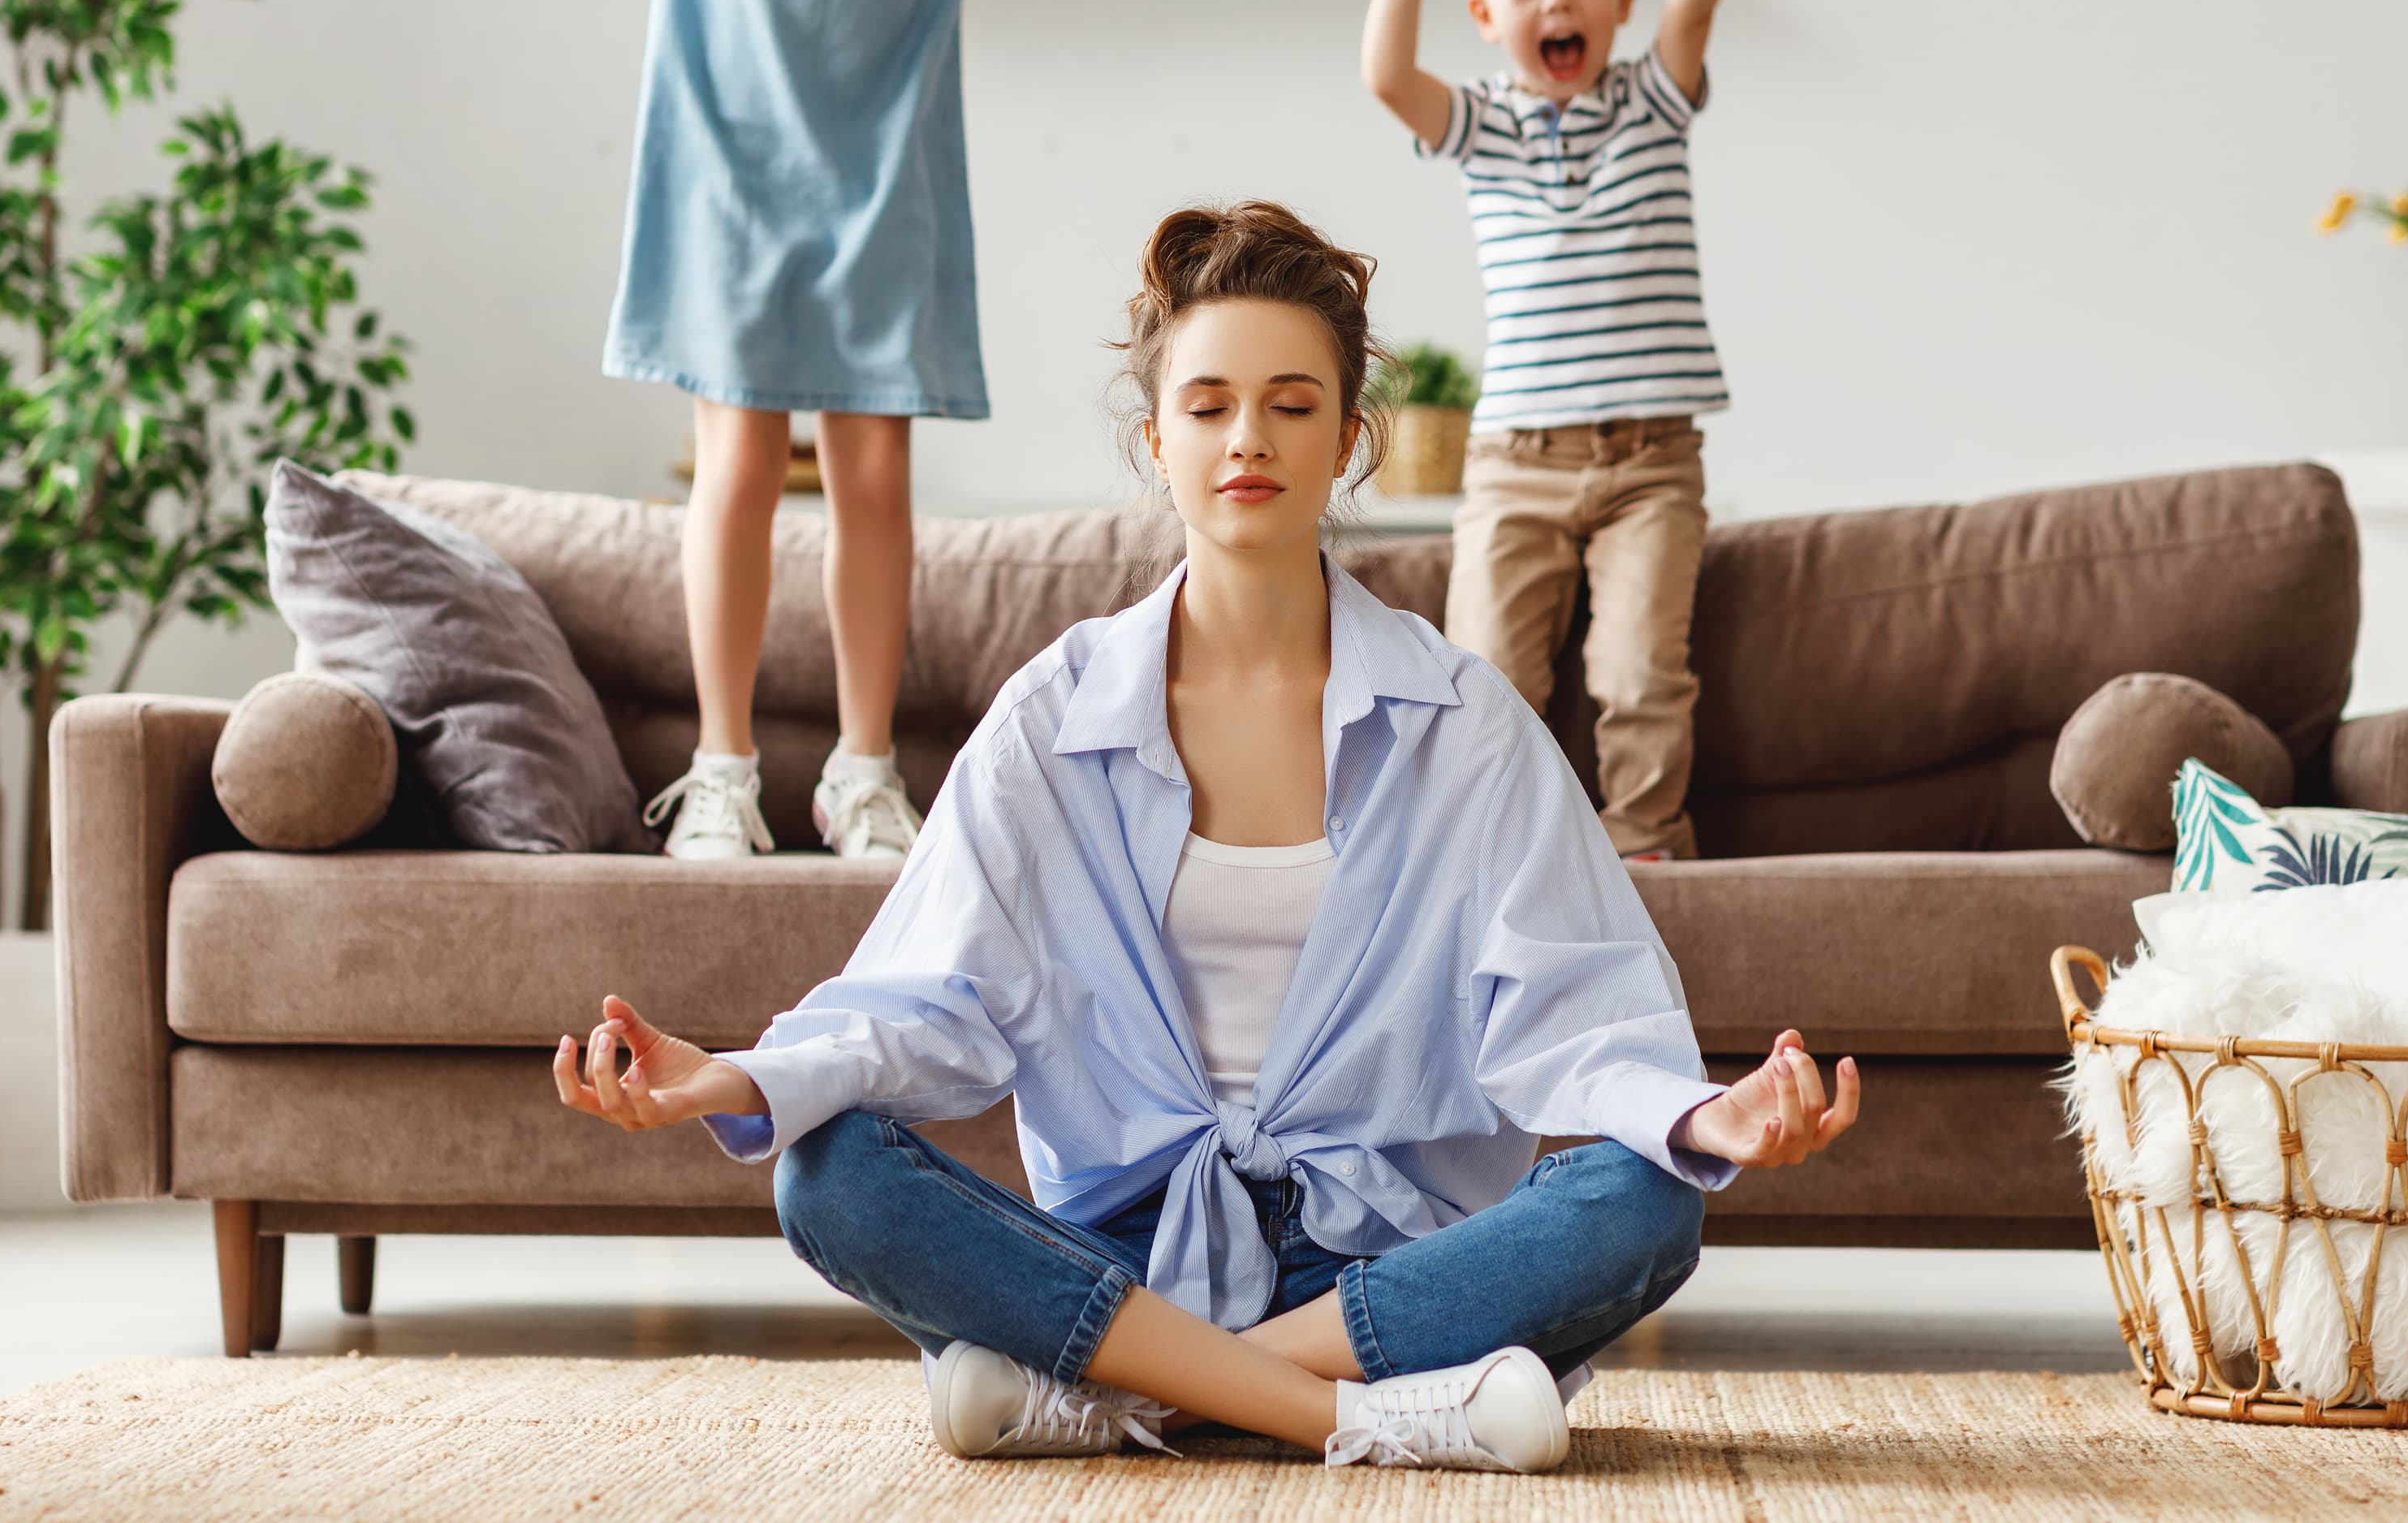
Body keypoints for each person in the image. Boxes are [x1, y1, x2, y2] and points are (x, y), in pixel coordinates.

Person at [551, 201, 1859, 1473]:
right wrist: (731, 1081)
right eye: (1210, 405)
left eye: (1294, 405)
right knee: (824, 1169)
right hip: (1122, 1251)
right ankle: (1360, 1415)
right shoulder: (1053, 716)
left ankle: (1121, 1394)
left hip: (1381, 1262)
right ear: (1157, 440)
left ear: (1351, 440)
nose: (1252, 439)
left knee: (1646, 1200)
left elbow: (1572, 1010)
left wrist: (1705, 1115)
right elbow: (928, 999)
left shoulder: (1461, 722)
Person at [503, 0, 1280, 861]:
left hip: (884, 192)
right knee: (734, 469)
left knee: (873, 483)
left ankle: (863, 772)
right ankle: (724, 771)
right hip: (728, 183)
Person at [1343, 0, 1787, 859]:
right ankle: (1488, 852)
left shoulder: (1653, 100)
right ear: (1488, 15)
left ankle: (1642, 847)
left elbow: (1697, 10)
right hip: (1516, 462)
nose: (1559, 0)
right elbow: (1388, 77)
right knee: (1485, 675)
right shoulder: (1484, 126)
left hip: (1651, 463)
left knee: (1639, 675)